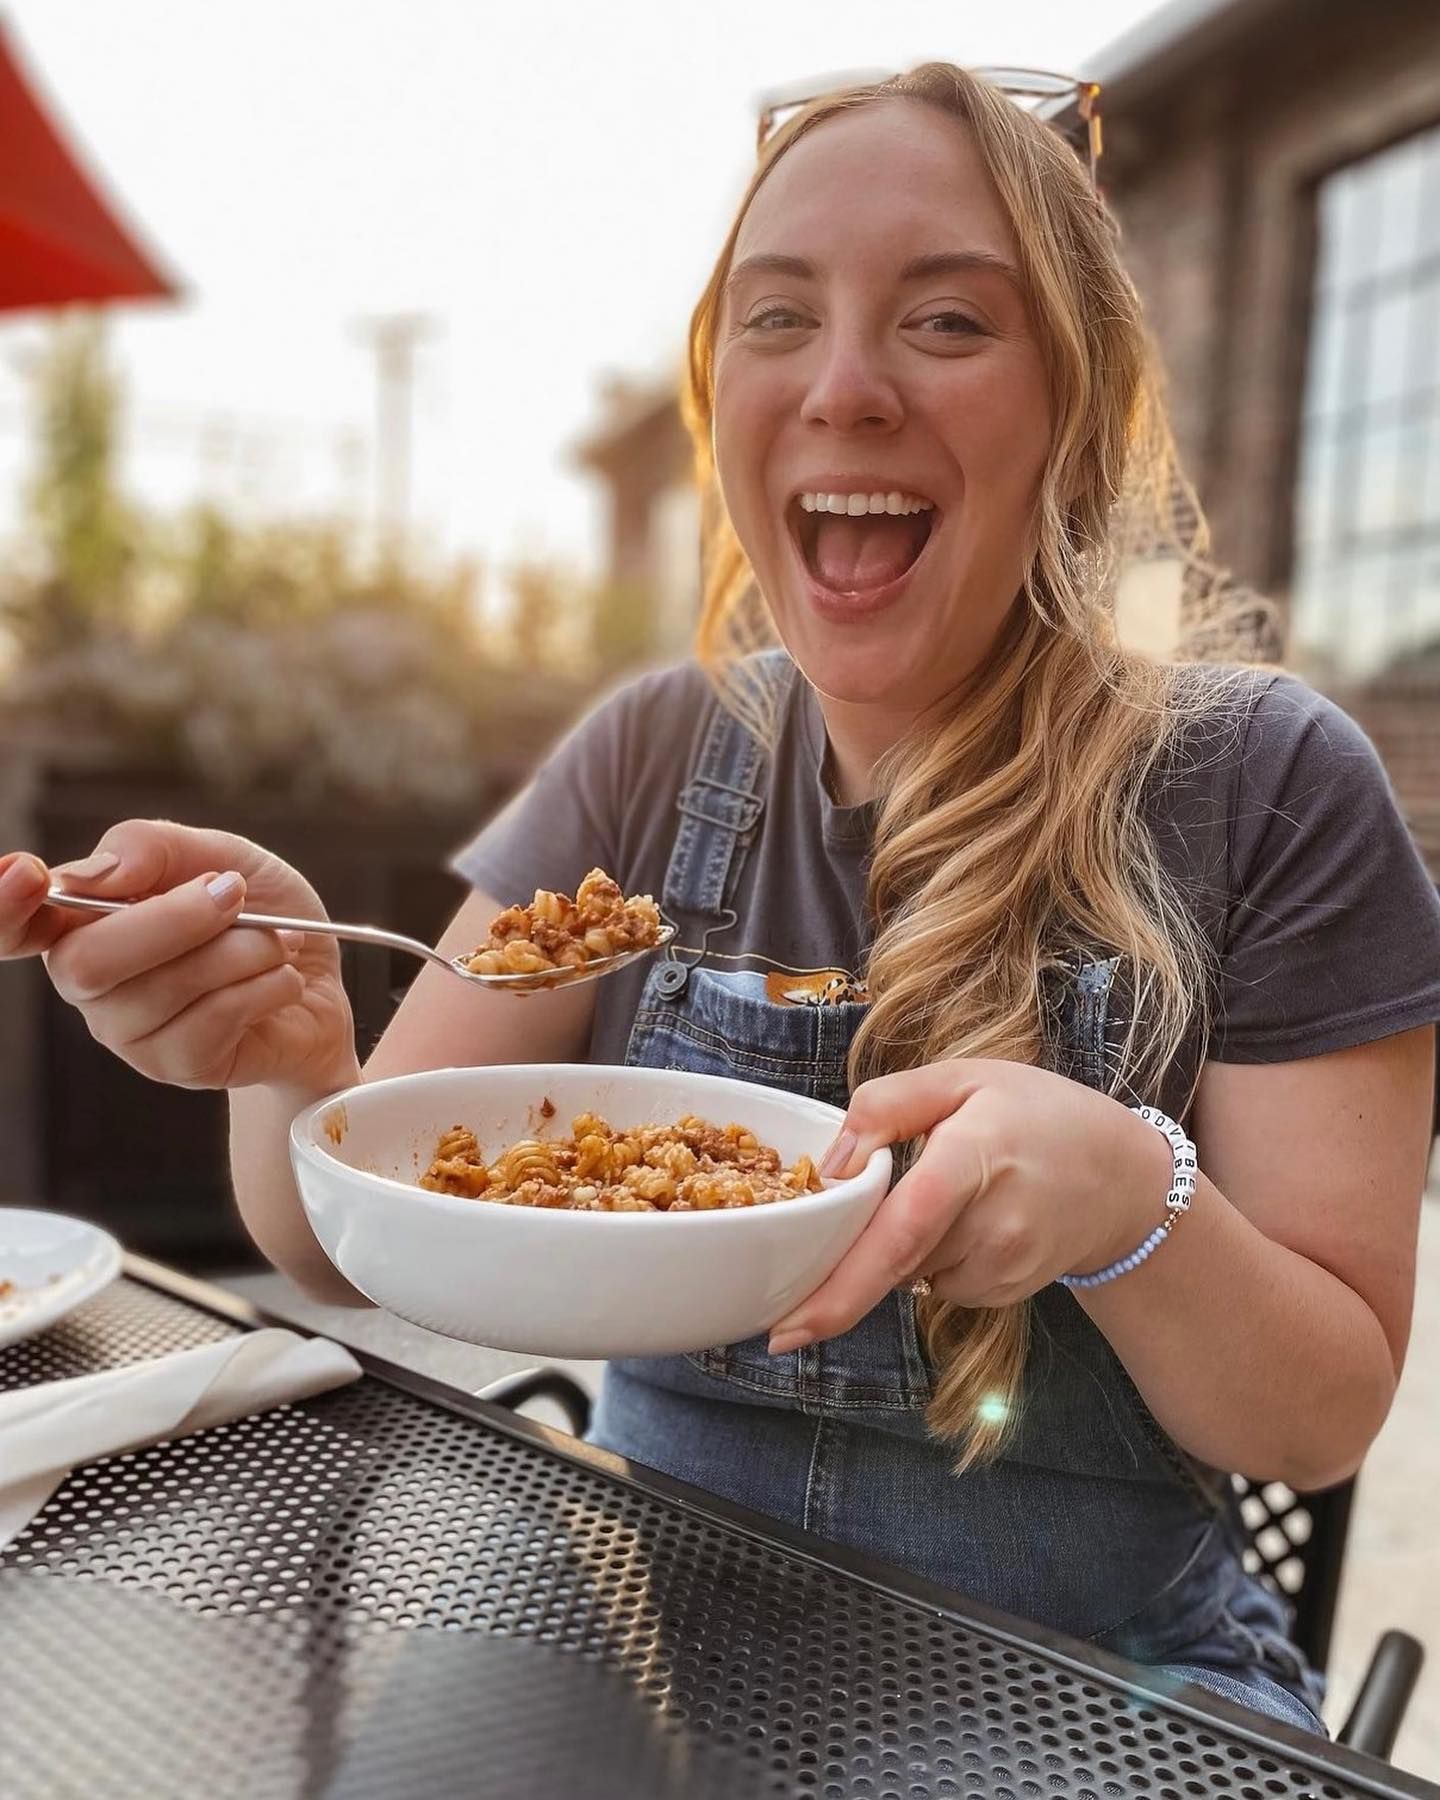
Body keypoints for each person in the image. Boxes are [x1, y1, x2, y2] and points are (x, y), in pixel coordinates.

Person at [3, 64, 1437, 1733]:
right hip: (621, 1608)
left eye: (950, 322)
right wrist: (288, 1049)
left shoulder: (1264, 783)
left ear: (1078, 404)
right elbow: (342, 1233)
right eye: (778, 317)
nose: (845, 386)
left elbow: (1319, 1417)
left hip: (1084, 1675)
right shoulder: (650, 756)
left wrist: (1134, 1204)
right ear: (720, 396)